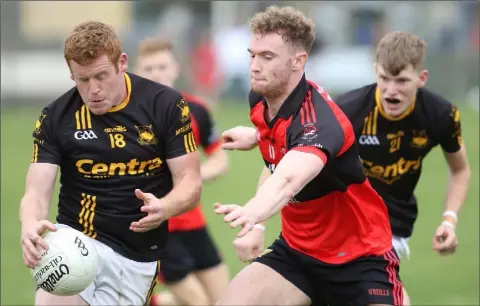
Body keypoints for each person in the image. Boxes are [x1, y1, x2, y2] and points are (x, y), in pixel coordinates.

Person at [214, 5, 404, 306]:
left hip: (360, 258)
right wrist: (255, 136)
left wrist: (253, 214)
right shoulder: (261, 99)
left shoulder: (321, 123)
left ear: (298, 61)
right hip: (297, 253)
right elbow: (279, 144)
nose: (254, 66)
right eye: (252, 54)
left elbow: (289, 177)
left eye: (267, 57)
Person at [20, 21, 202, 306]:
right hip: (77, 240)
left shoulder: (165, 104)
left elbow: (190, 182)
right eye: (82, 79)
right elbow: (36, 191)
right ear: (71, 74)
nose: (94, 89)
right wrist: (29, 223)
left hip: (138, 255)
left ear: (122, 63)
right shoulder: (57, 116)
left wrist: (165, 207)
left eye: (101, 75)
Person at [333, 31, 471, 305]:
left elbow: (460, 170)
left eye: (402, 81)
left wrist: (449, 220)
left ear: (422, 78)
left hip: (391, 224)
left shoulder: (441, 115)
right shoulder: (347, 111)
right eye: (384, 78)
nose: (391, 90)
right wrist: (257, 223)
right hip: (340, 220)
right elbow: (295, 160)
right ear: (375, 71)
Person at [134, 38, 230, 306]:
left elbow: (220, 158)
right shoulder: (126, 119)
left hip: (194, 223)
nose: (156, 73)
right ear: (137, 73)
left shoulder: (197, 110)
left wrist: (193, 179)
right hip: (157, 229)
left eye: (162, 66)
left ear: (176, 68)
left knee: (228, 299)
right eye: (148, 68)